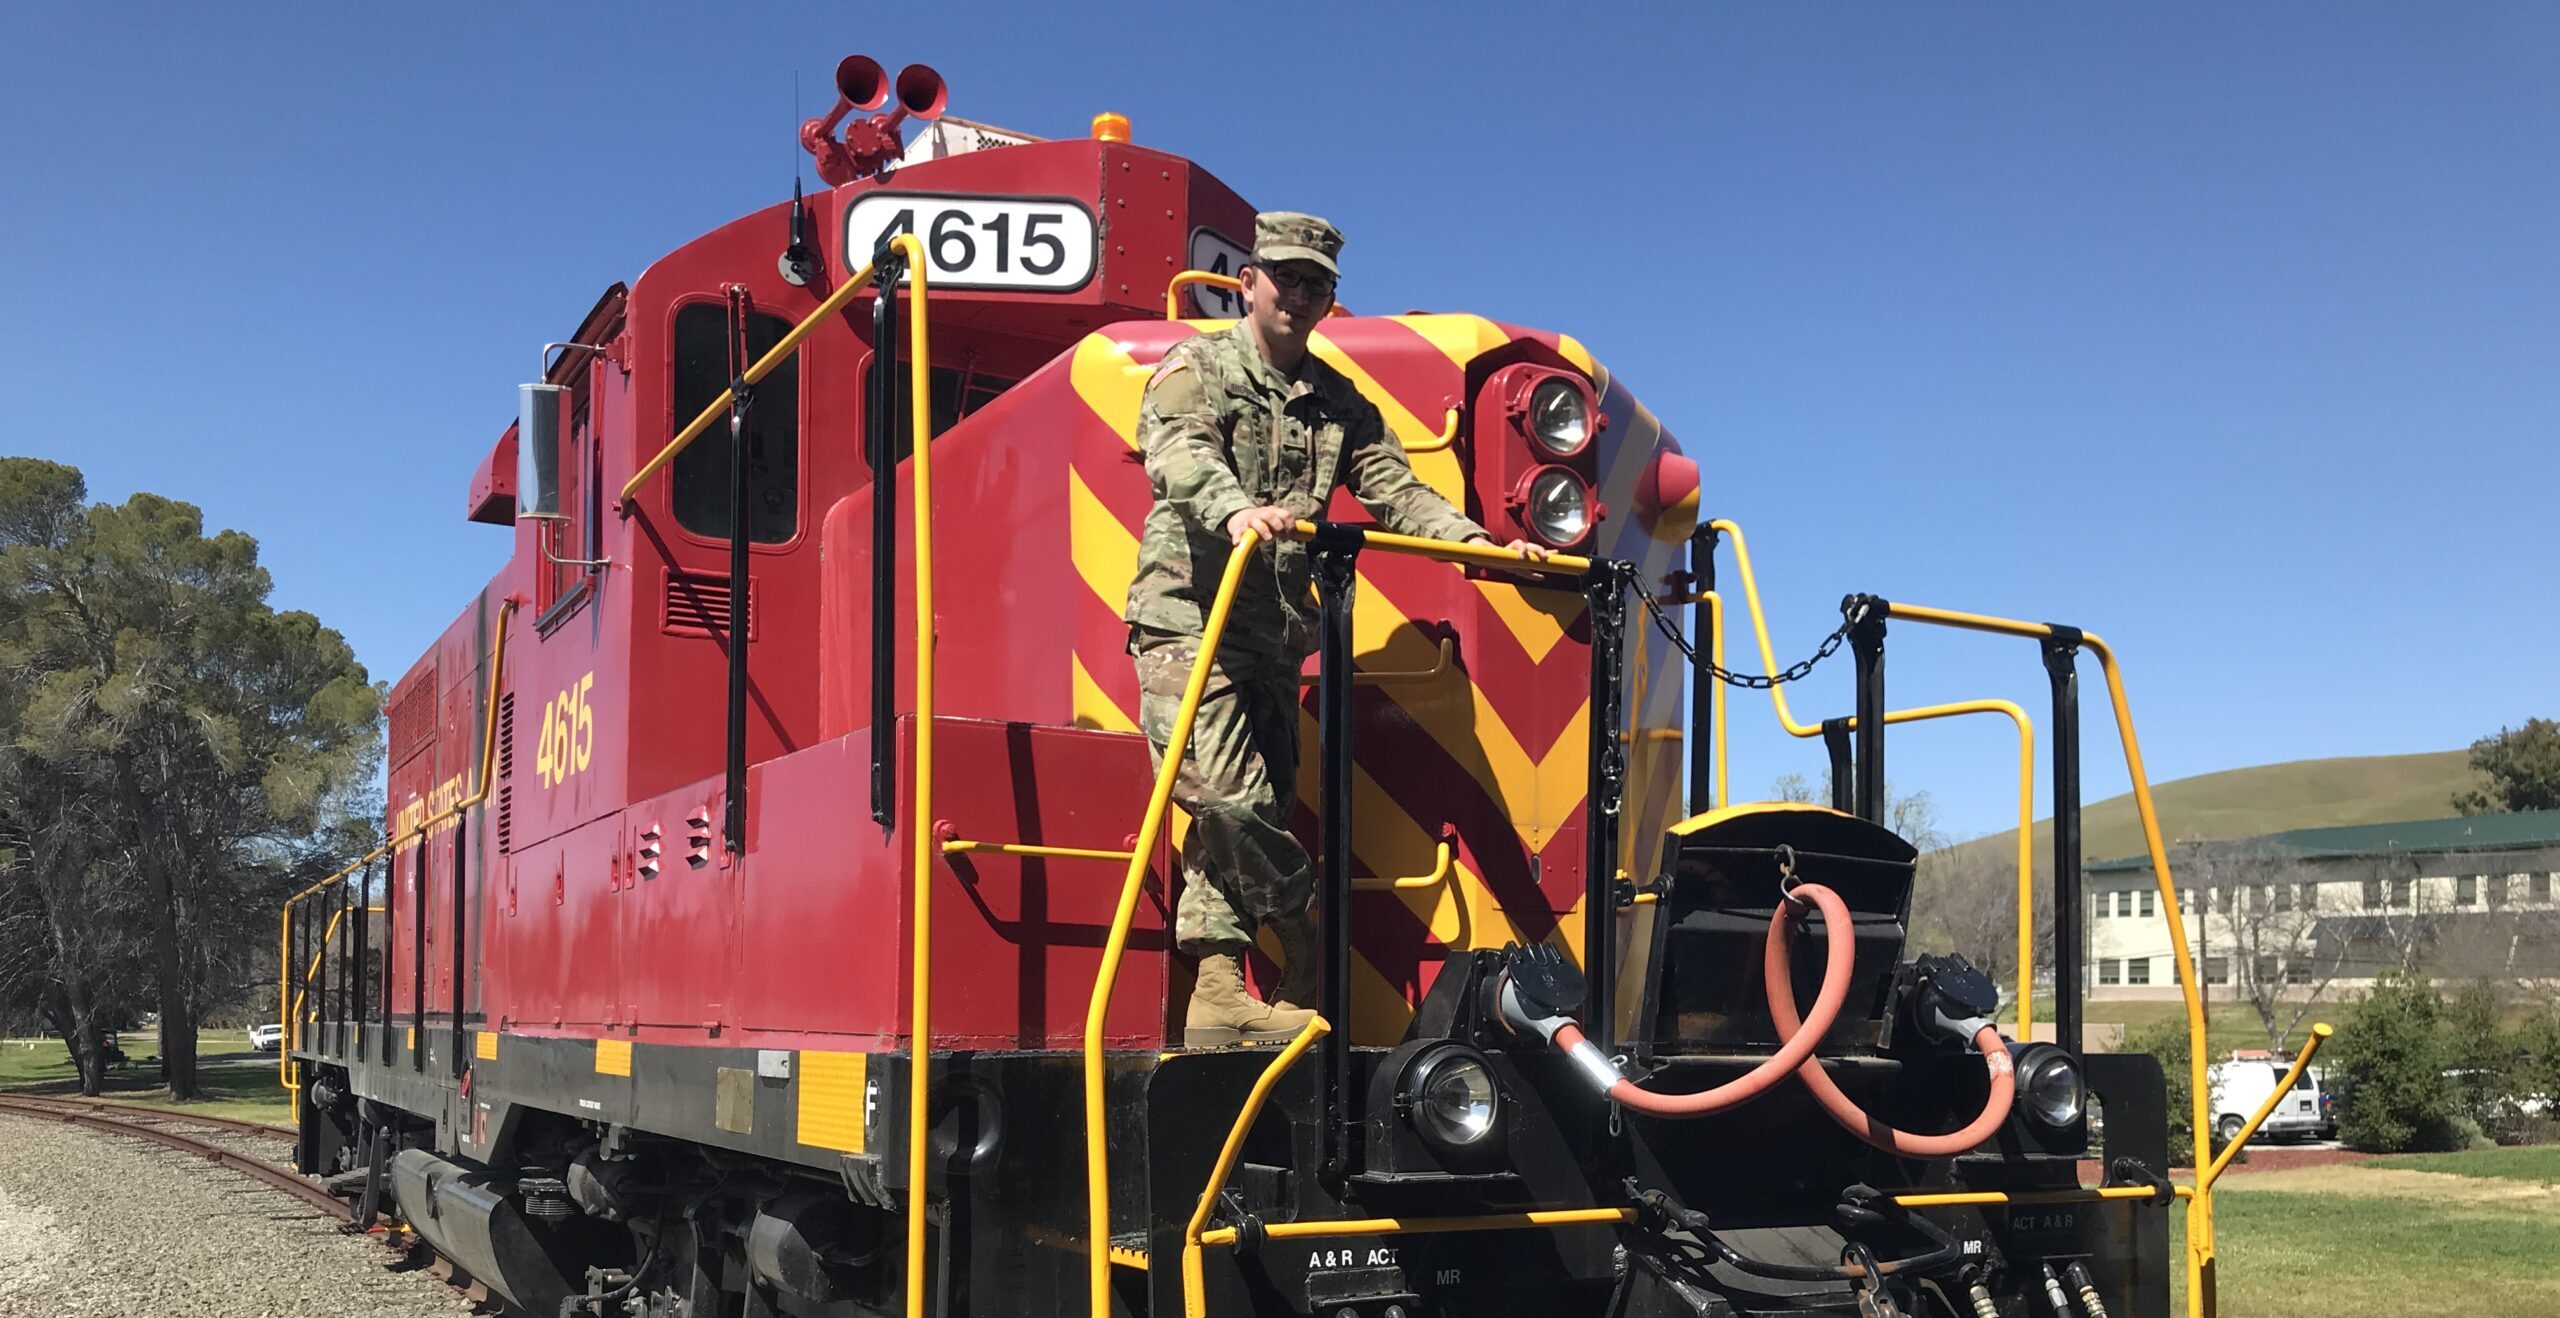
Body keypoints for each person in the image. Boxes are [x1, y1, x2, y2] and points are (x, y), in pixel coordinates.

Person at [1126, 211, 1549, 1046]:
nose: (1300, 294)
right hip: (1189, 622)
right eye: (1285, 276)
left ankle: (1217, 993)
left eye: (1317, 283)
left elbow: (1400, 493)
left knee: (1241, 819)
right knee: (1225, 799)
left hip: (1274, 639)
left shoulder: (1341, 403)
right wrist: (1237, 509)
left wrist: (1488, 549)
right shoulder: (1196, 365)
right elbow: (1177, 452)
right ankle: (1310, 931)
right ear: (1249, 282)